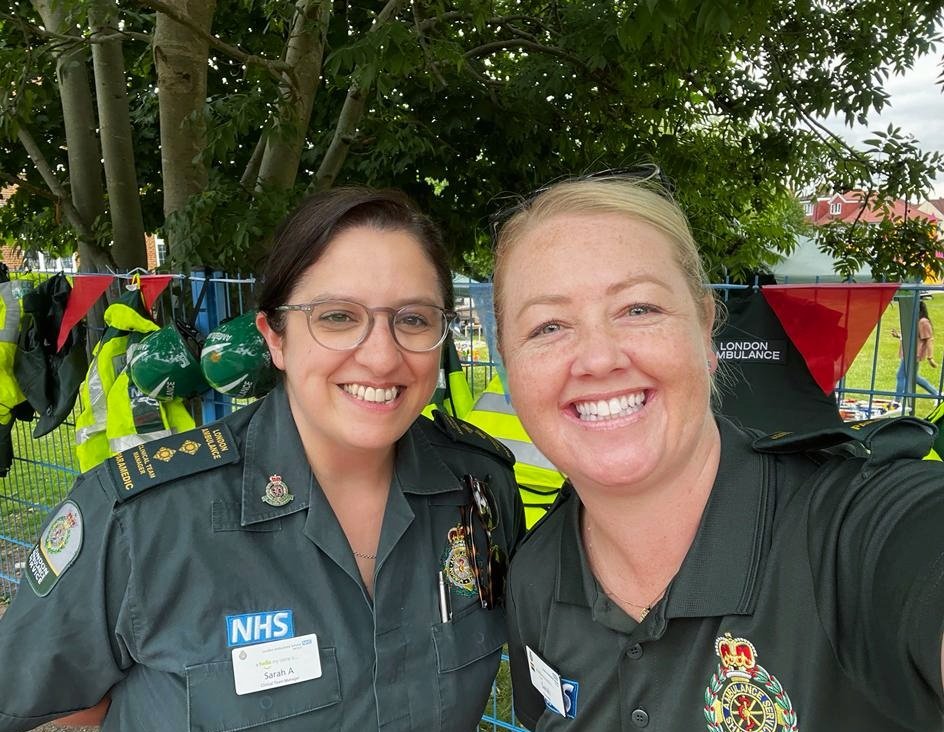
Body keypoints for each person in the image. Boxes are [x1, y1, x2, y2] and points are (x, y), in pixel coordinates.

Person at [0, 187, 524, 731]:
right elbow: (54, 712)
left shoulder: (480, 490)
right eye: (338, 316)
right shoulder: (144, 519)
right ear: (275, 338)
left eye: (413, 319)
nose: (382, 355)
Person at [491, 173, 944, 730]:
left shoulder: (851, 533)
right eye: (548, 326)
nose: (598, 358)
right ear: (509, 362)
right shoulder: (534, 576)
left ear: (705, 330)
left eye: (638, 309)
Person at [892, 299, 940, 399]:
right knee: (913, 378)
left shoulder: (923, 322)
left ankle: (897, 401)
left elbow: (929, 339)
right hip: (908, 352)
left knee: (901, 376)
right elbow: (913, 336)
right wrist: (898, 335)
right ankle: (936, 394)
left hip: (913, 354)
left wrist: (930, 358)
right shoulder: (915, 321)